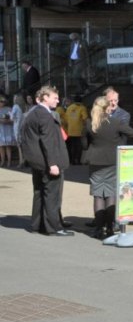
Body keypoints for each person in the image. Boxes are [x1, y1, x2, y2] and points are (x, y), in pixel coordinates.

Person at [82, 95, 133, 238]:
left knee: (98, 195)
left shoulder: (89, 123)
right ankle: (110, 228)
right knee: (111, 194)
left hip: (95, 162)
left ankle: (98, 229)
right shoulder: (115, 122)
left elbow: (83, 144)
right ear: (108, 108)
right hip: (113, 162)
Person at [19, 84, 73, 236]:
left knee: (39, 192)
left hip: (37, 162)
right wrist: (53, 164)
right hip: (46, 162)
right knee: (51, 195)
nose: (58, 100)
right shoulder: (44, 114)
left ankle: (37, 225)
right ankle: (53, 228)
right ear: (45, 98)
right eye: (55, 98)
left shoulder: (32, 112)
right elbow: (47, 141)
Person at [61, 94, 89, 166]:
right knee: (79, 146)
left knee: (72, 146)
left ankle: (72, 161)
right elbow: (85, 118)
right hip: (79, 131)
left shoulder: (69, 108)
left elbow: (66, 119)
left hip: (70, 130)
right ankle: (78, 161)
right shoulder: (82, 108)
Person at [0, 93, 15, 166]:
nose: (1, 103)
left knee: (8, 146)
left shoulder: (9, 109)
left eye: (2, 101)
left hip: (8, 129)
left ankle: (9, 161)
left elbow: (13, 119)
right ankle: (2, 161)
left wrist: (6, 121)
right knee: (1, 146)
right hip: (0, 130)